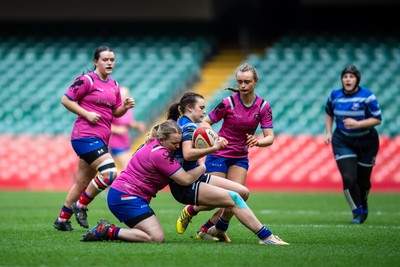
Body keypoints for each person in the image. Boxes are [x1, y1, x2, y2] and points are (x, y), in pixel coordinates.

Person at [80, 119, 289, 245]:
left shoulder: (157, 144)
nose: (177, 147)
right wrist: (203, 164)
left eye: (179, 142)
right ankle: (106, 231)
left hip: (129, 196)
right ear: (162, 140)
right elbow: (185, 178)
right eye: (174, 143)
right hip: (125, 197)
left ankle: (221, 229)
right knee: (156, 238)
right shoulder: (159, 153)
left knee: (237, 194)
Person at [176, 63, 275, 240]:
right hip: (219, 154)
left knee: (236, 198)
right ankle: (192, 210)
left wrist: (258, 142)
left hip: (240, 157)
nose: (243, 86)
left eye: (247, 82)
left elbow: (270, 137)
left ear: (255, 82)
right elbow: (205, 122)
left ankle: (210, 229)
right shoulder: (227, 103)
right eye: (240, 82)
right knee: (214, 201)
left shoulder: (263, 107)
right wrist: (215, 139)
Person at [53, 46, 135, 231]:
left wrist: (126, 107)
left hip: (100, 138)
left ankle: (62, 220)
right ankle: (81, 205)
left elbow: (115, 112)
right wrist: (87, 114)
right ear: (96, 61)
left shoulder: (114, 85)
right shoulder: (86, 80)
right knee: (110, 173)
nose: (109, 63)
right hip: (84, 136)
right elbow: (66, 100)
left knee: (82, 183)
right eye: (105, 59)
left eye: (112, 60)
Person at [325, 65, 382, 224]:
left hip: (367, 142)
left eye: (351, 77)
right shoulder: (334, 95)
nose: (348, 79)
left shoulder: (368, 96)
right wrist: (329, 132)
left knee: (364, 182)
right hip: (342, 140)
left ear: (357, 79)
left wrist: (358, 124)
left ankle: (363, 202)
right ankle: (357, 212)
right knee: (349, 178)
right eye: (345, 77)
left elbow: (377, 119)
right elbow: (328, 112)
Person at [109, 86, 146, 171]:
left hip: (125, 141)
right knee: (126, 169)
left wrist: (137, 125)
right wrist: (117, 130)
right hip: (116, 143)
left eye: (126, 95)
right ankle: (107, 181)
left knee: (130, 168)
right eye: (122, 95)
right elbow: (104, 124)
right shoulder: (113, 109)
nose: (125, 97)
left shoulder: (127, 108)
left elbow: (129, 123)